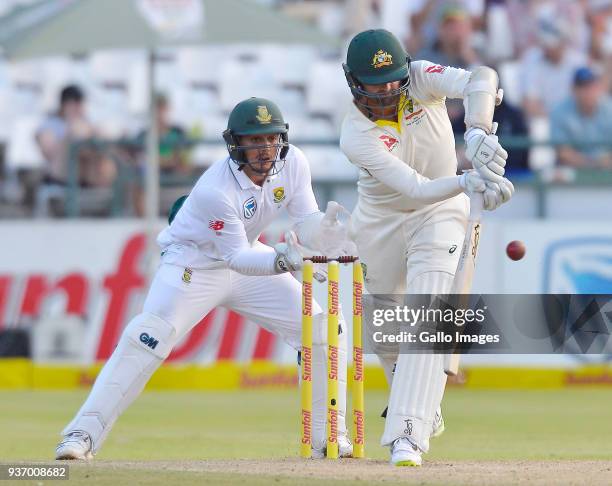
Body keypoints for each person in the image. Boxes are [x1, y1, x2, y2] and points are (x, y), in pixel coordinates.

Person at [55, 97, 355, 460]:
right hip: (192, 266)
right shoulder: (217, 189)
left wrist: (323, 233)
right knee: (148, 338)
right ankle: (80, 435)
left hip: (248, 252)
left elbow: (305, 219)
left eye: (271, 139)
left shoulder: (294, 163)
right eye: (254, 140)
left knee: (323, 328)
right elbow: (236, 259)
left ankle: (329, 437)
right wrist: (282, 262)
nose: (264, 149)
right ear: (235, 143)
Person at [339, 29, 514, 466]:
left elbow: (481, 77)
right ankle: (420, 405)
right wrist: (467, 179)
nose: (385, 91)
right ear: (353, 82)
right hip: (380, 221)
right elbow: (414, 188)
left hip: (440, 214)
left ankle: (407, 435)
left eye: (393, 81)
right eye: (373, 84)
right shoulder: (355, 133)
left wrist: (475, 132)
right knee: (385, 330)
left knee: (428, 307)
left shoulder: (419, 77)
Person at [550, 67, 612, 169]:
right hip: (573, 173)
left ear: (598, 87)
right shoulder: (560, 111)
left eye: (591, 86)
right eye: (582, 87)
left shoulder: (609, 108)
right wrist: (593, 164)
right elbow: (562, 152)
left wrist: (604, 162)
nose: (587, 92)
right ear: (573, 89)